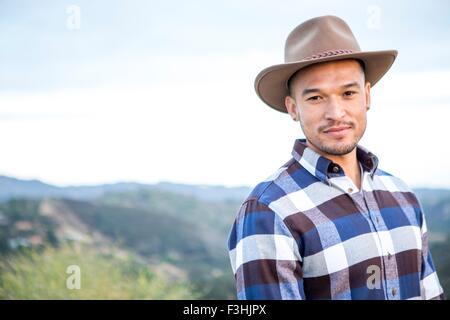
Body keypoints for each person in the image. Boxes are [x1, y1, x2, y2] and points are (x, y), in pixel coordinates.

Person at [227, 15, 444, 300]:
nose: (336, 113)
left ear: (366, 96)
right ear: (293, 108)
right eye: (316, 98)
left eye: (348, 93)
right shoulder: (269, 210)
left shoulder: (402, 195)